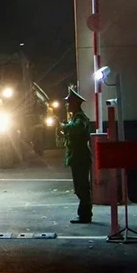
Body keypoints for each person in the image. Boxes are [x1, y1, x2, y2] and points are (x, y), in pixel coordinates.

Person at [61, 88, 92, 224]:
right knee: (80, 187)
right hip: (77, 157)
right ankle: (84, 214)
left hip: (80, 157)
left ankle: (85, 215)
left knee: (82, 187)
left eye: (69, 103)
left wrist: (63, 127)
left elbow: (76, 129)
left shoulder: (80, 117)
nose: (67, 106)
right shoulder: (75, 117)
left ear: (74, 104)